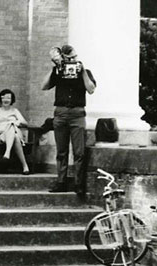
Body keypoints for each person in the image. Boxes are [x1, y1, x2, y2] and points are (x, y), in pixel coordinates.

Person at [42, 44, 96, 194]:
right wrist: (55, 68)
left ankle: (79, 184)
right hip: (60, 113)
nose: (72, 61)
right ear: (64, 59)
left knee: (79, 152)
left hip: (77, 114)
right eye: (69, 59)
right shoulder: (59, 72)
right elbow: (44, 86)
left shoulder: (85, 72)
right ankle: (61, 182)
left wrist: (83, 71)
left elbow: (91, 89)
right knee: (61, 151)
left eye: (74, 58)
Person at [0, 89, 30, 174]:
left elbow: (25, 123)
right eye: (4, 98)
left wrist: (15, 123)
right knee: (14, 134)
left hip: (11, 135)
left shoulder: (15, 111)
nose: (6, 100)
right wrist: (0, 132)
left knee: (12, 128)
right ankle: (24, 166)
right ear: (1, 99)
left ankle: (7, 152)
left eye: (8, 98)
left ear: (12, 100)